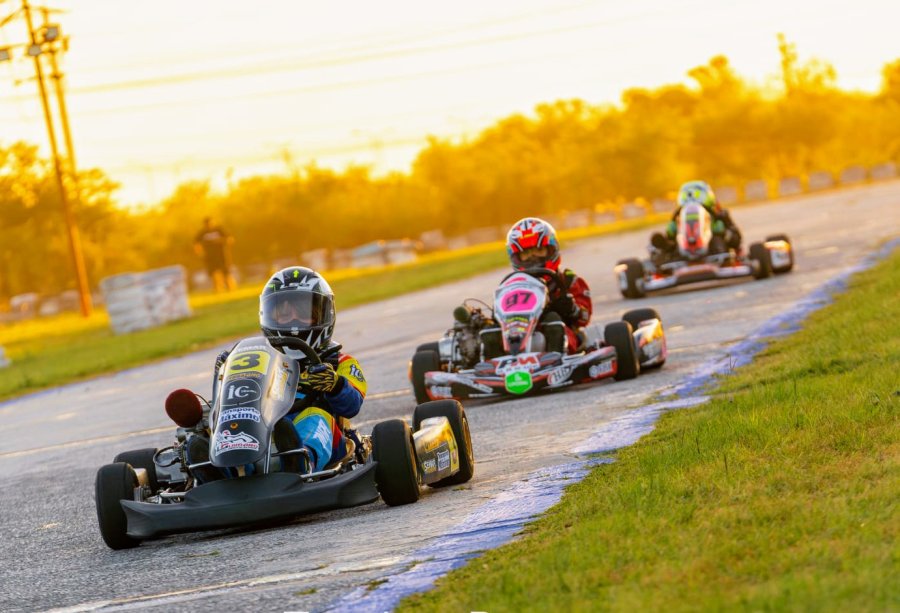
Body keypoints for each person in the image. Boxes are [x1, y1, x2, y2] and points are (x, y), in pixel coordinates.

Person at [208, 266, 366, 476]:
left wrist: (335, 385)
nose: (292, 320)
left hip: (322, 434)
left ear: (323, 314)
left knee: (315, 417)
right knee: (218, 427)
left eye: (302, 312)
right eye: (282, 313)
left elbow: (352, 405)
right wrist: (227, 372)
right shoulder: (258, 358)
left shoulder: (339, 361)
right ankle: (226, 470)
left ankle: (301, 460)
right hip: (262, 427)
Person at [505, 217, 592, 352]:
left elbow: (585, 317)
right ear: (516, 257)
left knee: (552, 320)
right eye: (526, 253)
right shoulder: (512, 286)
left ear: (552, 249)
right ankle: (492, 360)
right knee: (490, 332)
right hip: (519, 333)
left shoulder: (567, 280)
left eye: (539, 250)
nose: (533, 258)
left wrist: (572, 308)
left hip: (564, 334)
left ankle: (554, 357)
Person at [651, 180, 742, 260]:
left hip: (714, 249)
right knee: (666, 242)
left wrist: (724, 232)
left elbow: (737, 240)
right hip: (682, 251)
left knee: (720, 234)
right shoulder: (678, 217)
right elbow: (670, 233)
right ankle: (667, 249)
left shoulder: (719, 216)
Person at [194, 217, 236, 292]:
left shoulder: (219, 230)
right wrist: (200, 252)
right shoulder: (202, 233)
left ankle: (230, 287)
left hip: (222, 254)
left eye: (210, 223)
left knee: (226, 272)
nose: (209, 225)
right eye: (207, 224)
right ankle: (218, 289)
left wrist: (221, 241)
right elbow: (196, 243)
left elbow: (230, 239)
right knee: (214, 273)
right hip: (210, 256)